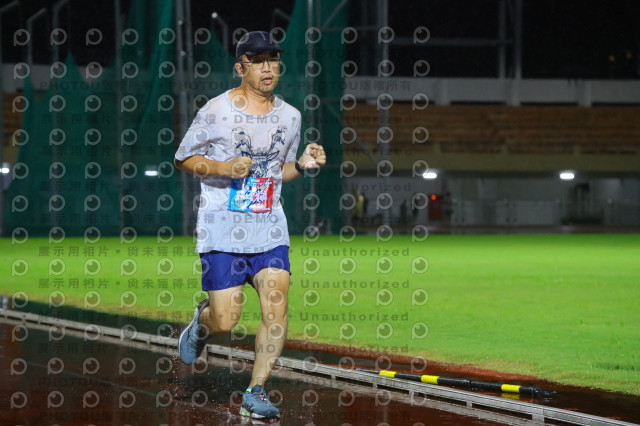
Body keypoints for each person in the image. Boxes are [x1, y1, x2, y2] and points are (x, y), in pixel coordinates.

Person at [173, 31, 326, 420]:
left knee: (277, 305)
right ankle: (201, 325)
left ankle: (255, 390)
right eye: (258, 61)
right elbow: (183, 158)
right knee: (226, 319)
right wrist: (223, 167)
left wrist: (302, 166)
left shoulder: (291, 116)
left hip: (268, 228)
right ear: (241, 68)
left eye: (273, 59)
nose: (267, 67)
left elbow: (279, 171)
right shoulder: (216, 110)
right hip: (222, 229)